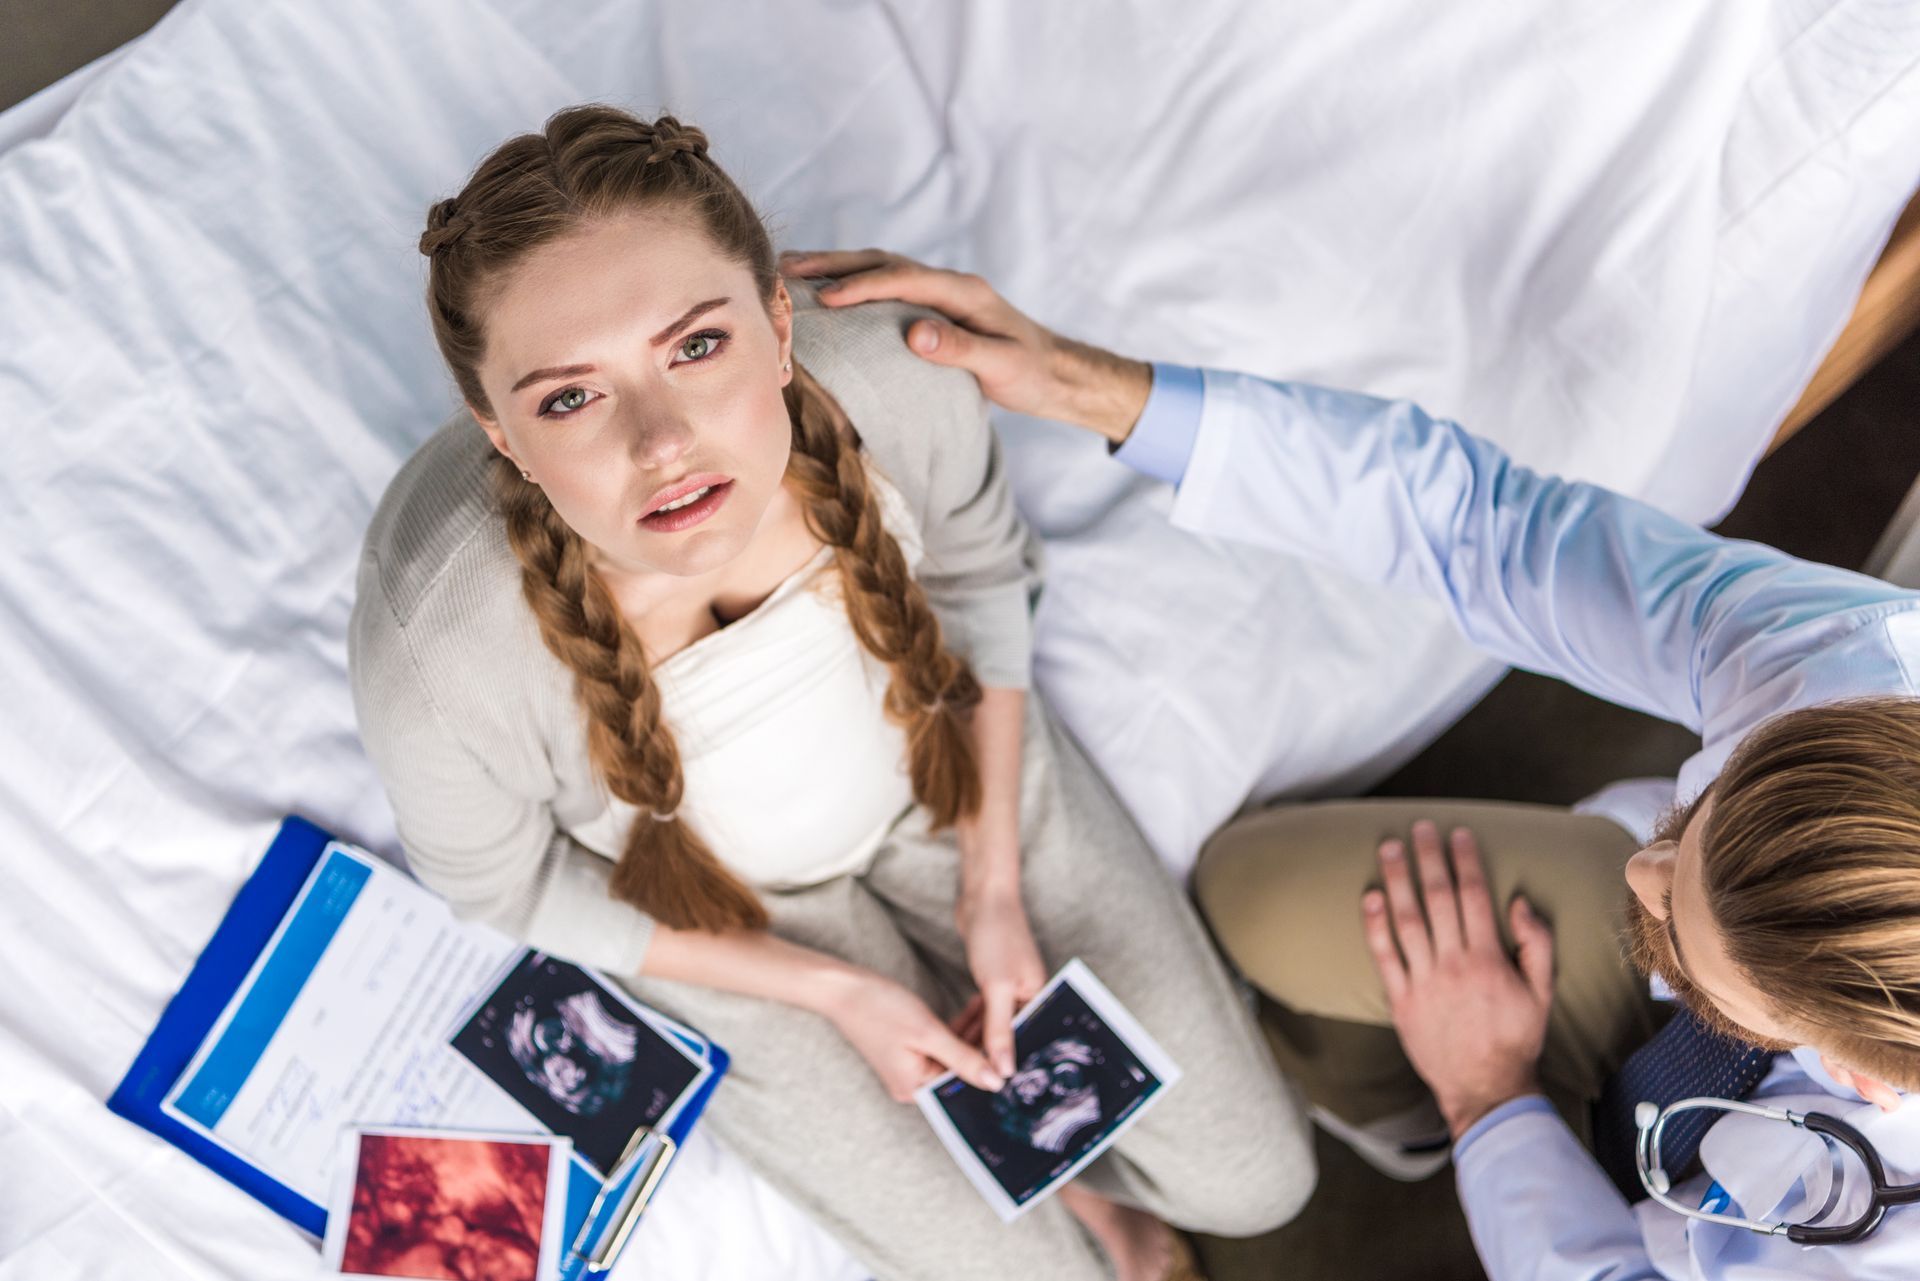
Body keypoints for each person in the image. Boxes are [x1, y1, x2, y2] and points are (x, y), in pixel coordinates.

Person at [778, 248, 1920, 1278]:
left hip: (1735, 1187)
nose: (1641, 875)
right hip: (1740, 1037)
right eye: (1701, 813)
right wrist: (1093, 386)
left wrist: (1490, 1102)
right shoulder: (1839, 669)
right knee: (1260, 897)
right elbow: (1491, 529)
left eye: (1678, 911)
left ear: (1868, 1080)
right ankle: (1439, 1099)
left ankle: (1507, 1106)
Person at [348, 108, 1313, 1281]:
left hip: (944, 783)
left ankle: (1083, 1168)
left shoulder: (897, 377)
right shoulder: (439, 639)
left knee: (1264, 1185)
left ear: (779, 323)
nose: (664, 445)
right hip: (717, 915)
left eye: (696, 347)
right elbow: (504, 887)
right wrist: (836, 992)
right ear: (497, 433)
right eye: (569, 400)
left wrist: (994, 881)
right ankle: (1095, 1217)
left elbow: (981, 571)